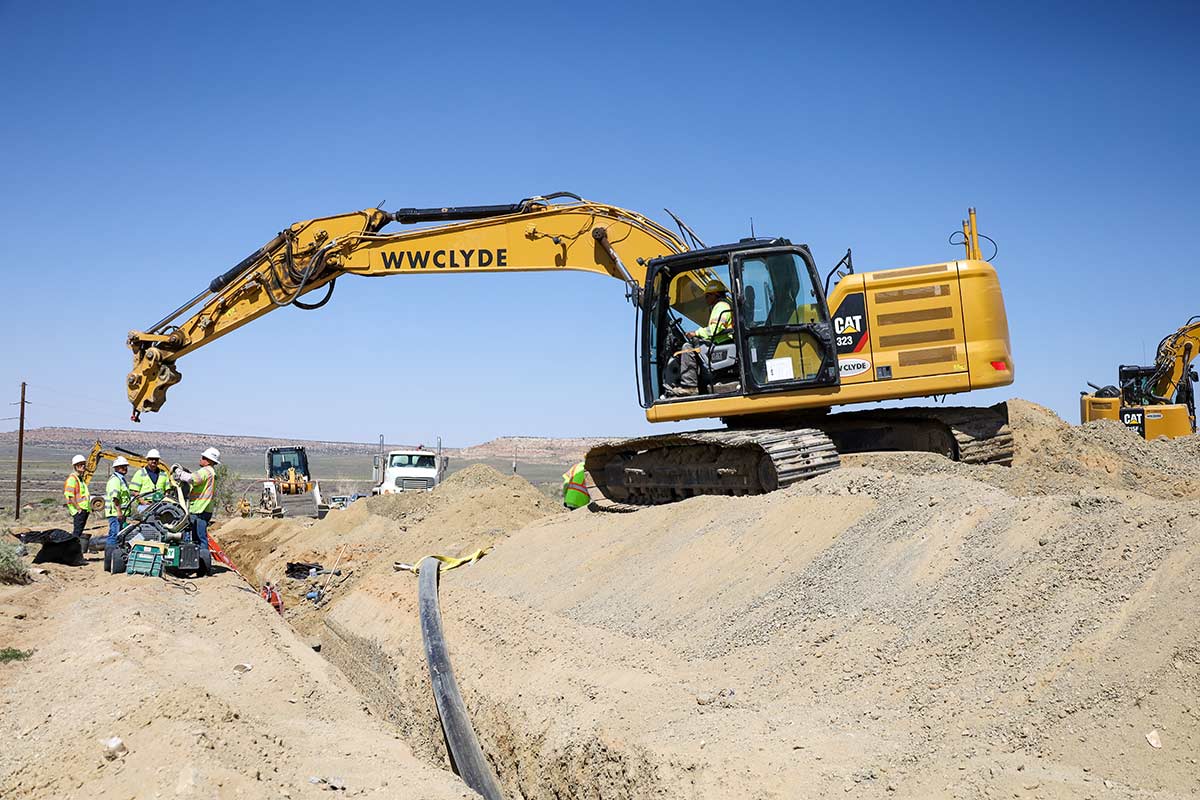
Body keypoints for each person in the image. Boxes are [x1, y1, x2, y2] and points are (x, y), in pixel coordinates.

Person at [663, 278, 734, 397]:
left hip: (721, 343)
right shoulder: (723, 304)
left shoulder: (721, 306)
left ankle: (689, 386)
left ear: (715, 294)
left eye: (707, 296)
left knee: (687, 348)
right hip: (721, 341)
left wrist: (696, 333)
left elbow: (715, 329)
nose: (706, 299)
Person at [173, 447, 220, 572]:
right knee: (197, 538)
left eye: (204, 458)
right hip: (203, 510)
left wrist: (179, 472)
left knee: (199, 538)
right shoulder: (210, 472)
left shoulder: (206, 471)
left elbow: (192, 479)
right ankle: (197, 563)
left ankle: (202, 566)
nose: (201, 459)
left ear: (209, 461)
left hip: (200, 510)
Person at [104, 457, 133, 572]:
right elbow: (115, 497)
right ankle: (110, 561)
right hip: (115, 514)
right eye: (122, 466)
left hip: (119, 513)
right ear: (116, 468)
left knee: (119, 535)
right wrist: (119, 511)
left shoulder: (121, 479)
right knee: (114, 536)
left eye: (125, 466)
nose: (124, 468)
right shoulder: (115, 480)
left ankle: (115, 560)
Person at [63, 454, 92, 548]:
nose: (83, 466)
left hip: (84, 509)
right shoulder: (73, 479)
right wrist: (78, 508)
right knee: (76, 533)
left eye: (84, 464)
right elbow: (69, 496)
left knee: (78, 533)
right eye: (80, 464)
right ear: (75, 466)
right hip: (79, 510)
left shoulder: (80, 479)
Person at [130, 448, 171, 513]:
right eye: (152, 459)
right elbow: (135, 491)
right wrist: (143, 502)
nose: (154, 461)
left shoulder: (164, 474)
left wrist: (164, 501)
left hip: (160, 505)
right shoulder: (140, 473)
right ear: (147, 460)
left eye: (156, 459)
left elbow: (167, 491)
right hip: (145, 505)